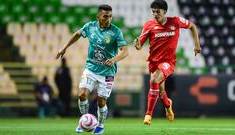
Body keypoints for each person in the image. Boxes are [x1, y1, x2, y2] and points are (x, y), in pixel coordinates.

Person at [56, 4, 128, 134]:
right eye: (106, 16)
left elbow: (125, 51)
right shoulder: (90, 26)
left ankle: (100, 125)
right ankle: (84, 120)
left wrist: (114, 59)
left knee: (101, 102)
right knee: (82, 94)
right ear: (99, 16)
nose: (108, 19)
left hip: (107, 72)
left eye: (110, 17)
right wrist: (64, 47)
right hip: (91, 68)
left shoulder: (116, 31)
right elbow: (77, 34)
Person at [133, 0, 202, 125]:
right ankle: (168, 104)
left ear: (164, 11)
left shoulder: (175, 21)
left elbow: (192, 26)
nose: (155, 14)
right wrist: (137, 44)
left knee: (153, 80)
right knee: (160, 92)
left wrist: (197, 45)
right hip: (153, 62)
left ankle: (148, 115)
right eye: (153, 12)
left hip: (168, 62)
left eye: (157, 11)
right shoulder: (149, 25)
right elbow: (139, 45)